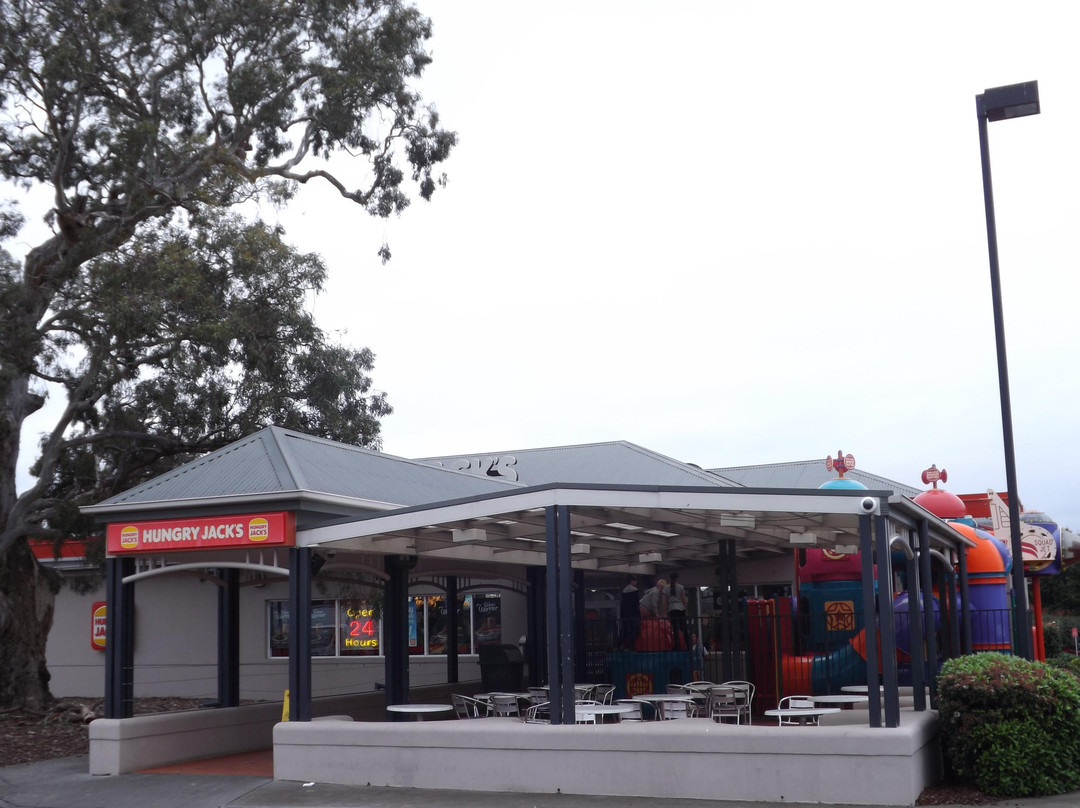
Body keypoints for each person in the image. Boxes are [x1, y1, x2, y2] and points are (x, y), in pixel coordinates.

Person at [665, 572, 691, 651]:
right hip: (680, 608)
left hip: (672, 608)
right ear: (677, 578)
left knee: (675, 628)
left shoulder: (666, 588)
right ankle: (688, 645)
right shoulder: (680, 587)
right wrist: (685, 609)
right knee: (684, 628)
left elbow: (665, 601)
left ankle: (677, 646)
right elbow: (684, 600)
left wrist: (665, 612)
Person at [619, 574, 641, 650]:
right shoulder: (635, 591)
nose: (636, 582)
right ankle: (632, 646)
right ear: (632, 581)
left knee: (625, 631)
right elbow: (637, 604)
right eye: (635, 581)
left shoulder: (624, 591)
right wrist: (639, 614)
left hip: (625, 615)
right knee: (635, 631)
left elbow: (623, 605)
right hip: (633, 614)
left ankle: (623, 646)